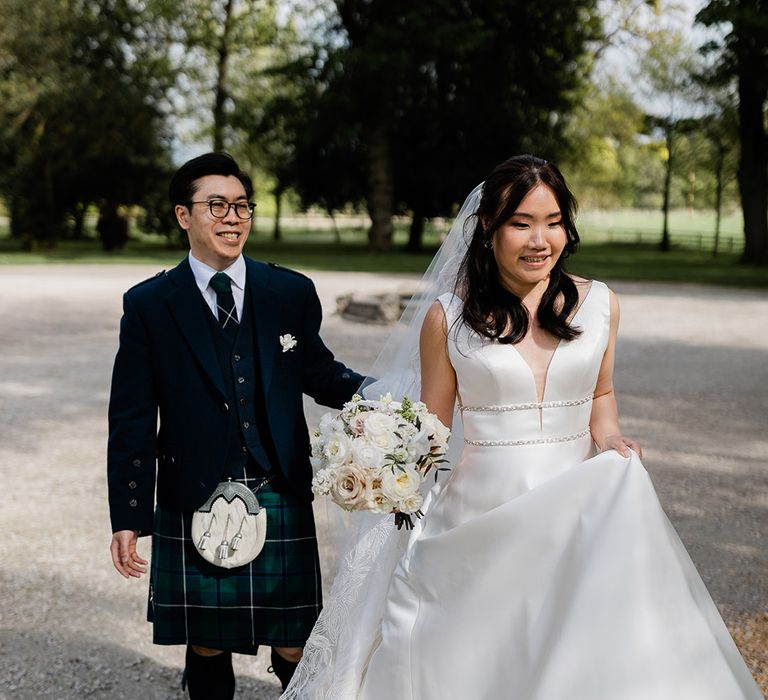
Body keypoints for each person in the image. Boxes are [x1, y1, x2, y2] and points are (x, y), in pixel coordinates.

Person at [283, 155, 763, 699]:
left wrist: (610, 438)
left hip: (581, 505)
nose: (541, 240)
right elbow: (432, 428)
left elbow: (601, 394)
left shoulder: (601, 304)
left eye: (554, 221)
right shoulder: (449, 318)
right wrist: (381, 468)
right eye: (522, 223)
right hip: (482, 513)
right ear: (488, 227)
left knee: (587, 650)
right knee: (485, 657)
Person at [107, 152, 364, 699]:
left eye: (242, 205)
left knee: (296, 637)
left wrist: (384, 397)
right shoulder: (150, 304)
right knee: (206, 640)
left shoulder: (288, 292)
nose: (233, 217)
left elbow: (317, 370)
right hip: (194, 491)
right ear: (183, 216)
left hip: (279, 488)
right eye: (216, 205)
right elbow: (130, 416)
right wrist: (128, 514)